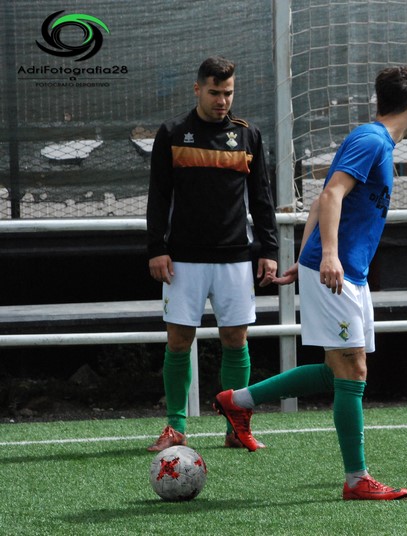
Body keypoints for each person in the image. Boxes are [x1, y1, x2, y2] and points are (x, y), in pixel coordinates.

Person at [213, 65, 407, 500]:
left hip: (346, 271)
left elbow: (320, 201)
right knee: (352, 369)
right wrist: (326, 255)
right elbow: (330, 196)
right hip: (337, 270)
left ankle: (238, 401)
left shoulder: (374, 140)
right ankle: (357, 479)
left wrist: (305, 257)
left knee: (338, 373)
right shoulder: (371, 141)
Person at [146, 56, 279, 451]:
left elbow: (262, 197)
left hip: (235, 257)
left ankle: (236, 427)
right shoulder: (173, 133)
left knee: (235, 339)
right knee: (178, 340)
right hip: (183, 258)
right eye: (215, 92)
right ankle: (175, 426)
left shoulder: (248, 135)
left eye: (228, 93)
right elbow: (158, 195)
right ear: (197, 89)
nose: (222, 100)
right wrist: (157, 247)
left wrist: (268, 248)